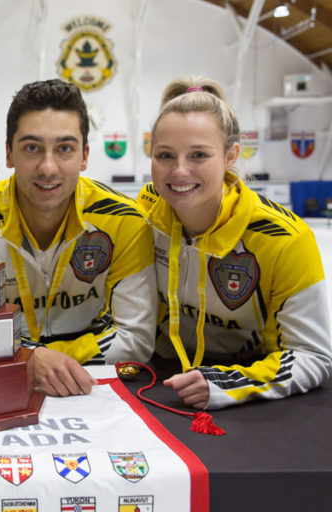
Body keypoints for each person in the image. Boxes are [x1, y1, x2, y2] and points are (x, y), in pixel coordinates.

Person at [0, 79, 156, 397]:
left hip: (88, 387)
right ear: (8, 154)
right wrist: (30, 360)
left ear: (84, 155)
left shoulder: (123, 222)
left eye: (64, 149)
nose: (48, 167)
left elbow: (136, 338)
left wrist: (35, 359)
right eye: (32, 148)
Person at [137, 75, 332, 409]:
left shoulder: (285, 239)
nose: (179, 171)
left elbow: (313, 355)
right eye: (165, 155)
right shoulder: (142, 217)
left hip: (253, 392)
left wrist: (229, 383)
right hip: (157, 380)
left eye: (198, 155)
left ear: (231, 156)